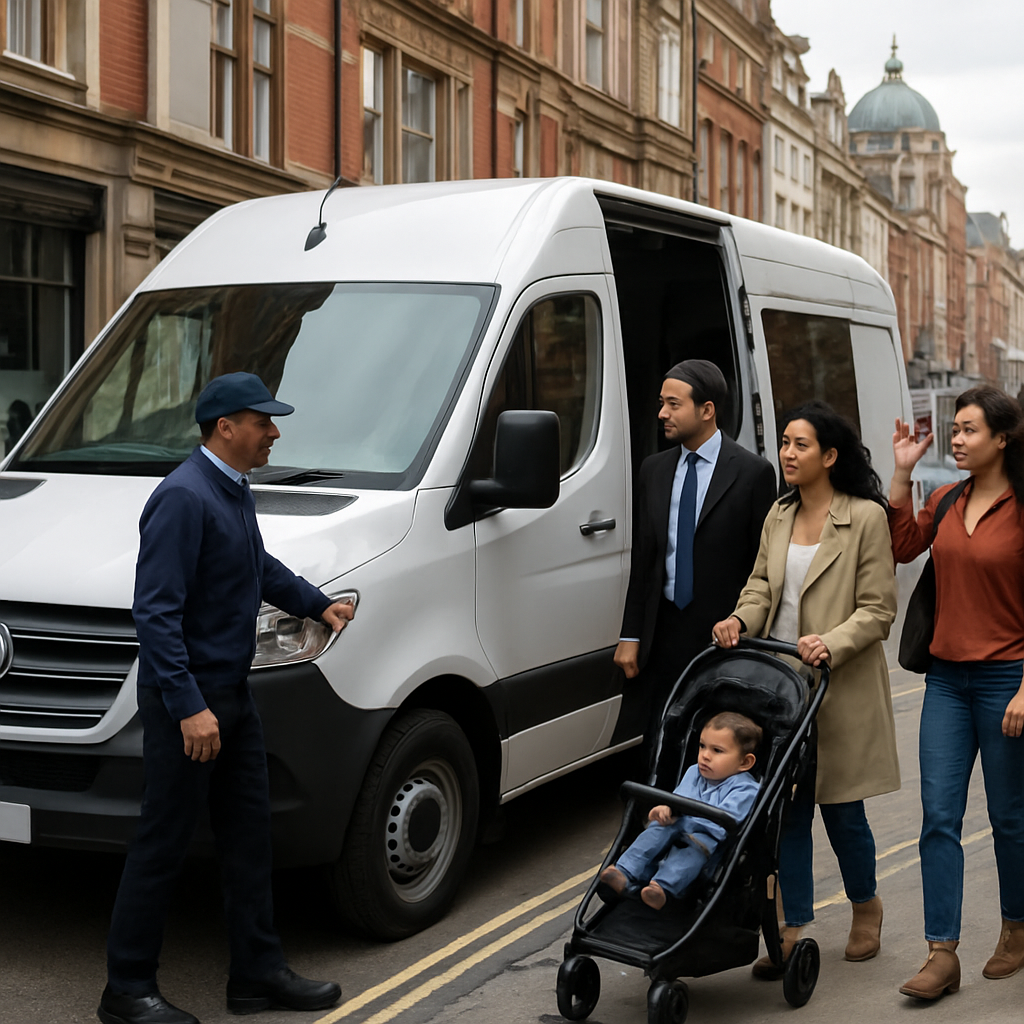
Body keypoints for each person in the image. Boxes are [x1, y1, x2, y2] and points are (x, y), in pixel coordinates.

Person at [100, 372, 355, 1024]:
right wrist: (189, 706)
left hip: (233, 696)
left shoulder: (231, 491)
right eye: (263, 421)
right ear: (225, 428)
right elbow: (155, 614)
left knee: (250, 840)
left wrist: (317, 603)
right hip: (190, 702)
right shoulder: (183, 498)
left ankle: (257, 976)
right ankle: (127, 991)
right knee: (162, 841)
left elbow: (258, 568)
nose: (274, 432)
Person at [712, 400, 899, 975]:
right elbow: (762, 587)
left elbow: (878, 609)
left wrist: (832, 641)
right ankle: (792, 926)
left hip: (837, 687)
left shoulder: (865, 516)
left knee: (843, 812)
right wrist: (739, 620)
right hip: (778, 690)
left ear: (830, 455)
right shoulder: (778, 514)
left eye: (800, 445)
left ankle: (865, 906)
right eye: (785, 444)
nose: (787, 455)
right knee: (784, 814)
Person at [889, 385, 1024, 1001]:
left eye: (969, 430)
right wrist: (902, 472)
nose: (958, 439)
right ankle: (941, 953)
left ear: (1002, 438)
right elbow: (902, 547)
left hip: (1007, 680)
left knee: (1008, 819)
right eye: (956, 429)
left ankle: (1015, 930)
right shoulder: (945, 499)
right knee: (938, 818)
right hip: (946, 680)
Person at [614, 360, 776, 756]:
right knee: (660, 745)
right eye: (661, 403)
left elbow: (766, 566)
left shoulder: (753, 473)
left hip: (725, 638)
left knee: (718, 750)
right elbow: (645, 560)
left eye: (673, 404)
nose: (662, 414)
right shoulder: (653, 470)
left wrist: (752, 632)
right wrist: (631, 635)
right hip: (663, 633)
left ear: (707, 410)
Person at [600, 712, 761, 909]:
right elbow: (679, 801)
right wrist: (664, 810)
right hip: (678, 830)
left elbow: (723, 823)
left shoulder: (745, 788)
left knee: (694, 849)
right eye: (702, 746)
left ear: (745, 762)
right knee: (656, 829)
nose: (705, 755)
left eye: (717, 750)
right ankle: (624, 871)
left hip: (707, 844)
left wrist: (681, 816)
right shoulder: (694, 772)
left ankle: (662, 888)